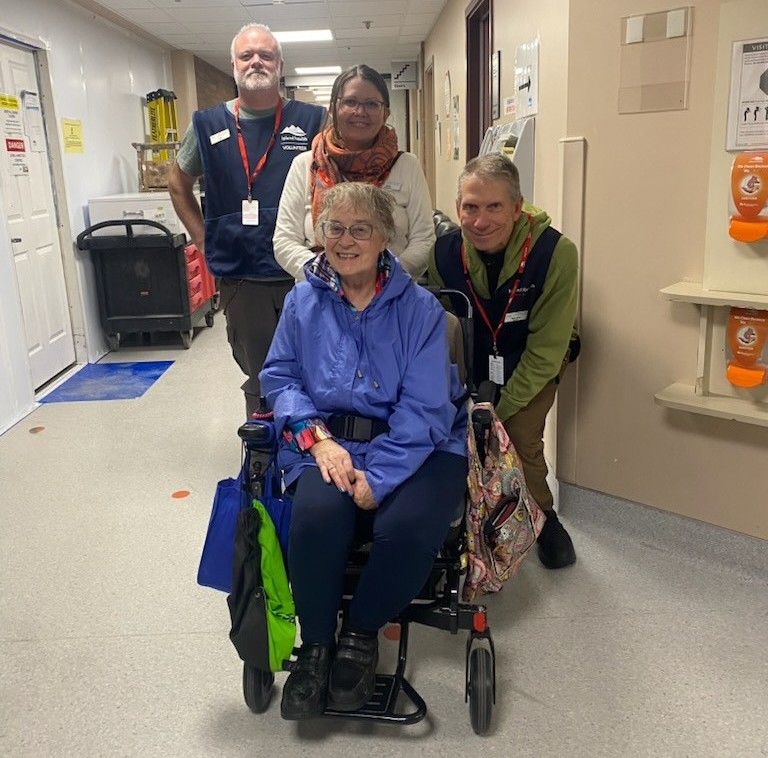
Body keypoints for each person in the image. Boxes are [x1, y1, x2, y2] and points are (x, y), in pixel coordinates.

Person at [260, 182, 468, 720]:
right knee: (316, 517)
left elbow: (426, 408)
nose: (345, 240)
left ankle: (359, 632)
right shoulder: (302, 301)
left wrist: (382, 476)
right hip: (327, 442)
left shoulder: (419, 310)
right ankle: (317, 649)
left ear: (385, 239)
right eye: (334, 227)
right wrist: (318, 440)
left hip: (417, 444)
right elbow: (280, 377)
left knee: (410, 528)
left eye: (360, 229)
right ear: (319, 233)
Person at [428, 153, 579, 570]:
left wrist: (495, 413)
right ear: (457, 208)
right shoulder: (441, 255)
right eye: (470, 207)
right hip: (473, 357)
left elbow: (547, 351)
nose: (480, 221)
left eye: (494, 207)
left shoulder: (556, 253)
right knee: (451, 430)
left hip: (533, 357)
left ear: (517, 207)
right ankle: (467, 517)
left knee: (515, 435)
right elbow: (442, 333)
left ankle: (543, 518)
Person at [168, 23, 325, 417]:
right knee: (260, 375)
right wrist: (204, 241)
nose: (256, 61)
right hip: (243, 279)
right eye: (246, 55)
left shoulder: (313, 121)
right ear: (234, 65)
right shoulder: (206, 126)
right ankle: (265, 456)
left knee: (317, 370)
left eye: (266, 55)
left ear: (280, 65)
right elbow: (177, 184)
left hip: (305, 276)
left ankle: (312, 454)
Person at [273, 64, 434, 281]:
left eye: (371, 104)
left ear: (385, 112)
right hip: (319, 295)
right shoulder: (304, 165)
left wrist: (384, 277)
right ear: (333, 108)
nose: (360, 112)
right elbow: (284, 240)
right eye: (350, 102)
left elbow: (424, 239)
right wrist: (326, 276)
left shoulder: (406, 166)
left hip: (391, 297)